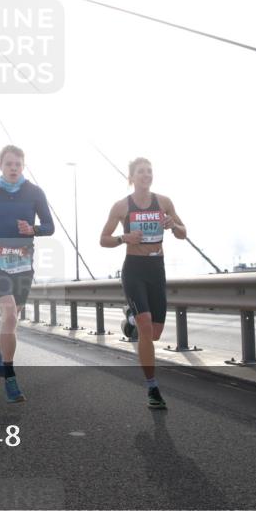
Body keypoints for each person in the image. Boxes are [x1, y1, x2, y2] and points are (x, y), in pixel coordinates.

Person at [0, 145, 55, 403]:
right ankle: (10, 377)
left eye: (18, 164)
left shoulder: (35, 192)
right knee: (9, 315)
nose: (13, 168)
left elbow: (49, 226)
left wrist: (33, 229)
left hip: (24, 263)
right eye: (9, 164)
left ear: (23, 166)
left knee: (12, 320)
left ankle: (0, 346)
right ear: (0, 166)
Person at [99, 157, 186, 409]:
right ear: (131, 177)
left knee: (154, 334)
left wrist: (173, 225)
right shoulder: (121, 206)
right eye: (141, 171)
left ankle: (131, 317)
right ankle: (152, 388)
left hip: (156, 269)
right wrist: (124, 238)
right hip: (134, 269)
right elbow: (103, 239)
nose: (146, 175)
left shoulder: (164, 202)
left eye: (149, 171)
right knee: (146, 327)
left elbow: (184, 233)